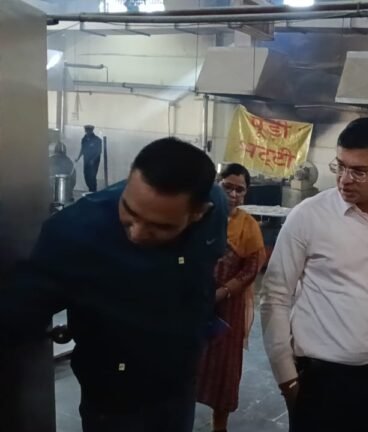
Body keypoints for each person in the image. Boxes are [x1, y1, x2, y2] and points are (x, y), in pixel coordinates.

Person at [0, 137, 228, 432]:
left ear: (198, 213)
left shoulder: (215, 208)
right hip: (114, 400)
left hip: (179, 384)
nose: (137, 233)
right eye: (129, 213)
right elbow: (20, 310)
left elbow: (204, 269)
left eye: (160, 227)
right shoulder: (77, 231)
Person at [261, 117, 368, 432]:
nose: (345, 180)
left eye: (359, 171)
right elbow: (275, 297)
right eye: (340, 166)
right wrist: (287, 380)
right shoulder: (308, 216)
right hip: (321, 383)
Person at [197, 163, 266, 432]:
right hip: (193, 303)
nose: (234, 195)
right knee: (188, 361)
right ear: (218, 184)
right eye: (228, 187)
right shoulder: (199, 216)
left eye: (240, 190)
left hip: (228, 308)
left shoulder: (248, 226)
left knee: (224, 369)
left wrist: (222, 292)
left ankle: (220, 424)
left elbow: (252, 268)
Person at [76, 125, 103, 193]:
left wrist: (93, 160)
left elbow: (99, 151)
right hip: (86, 160)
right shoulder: (84, 139)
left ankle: (93, 191)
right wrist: (78, 158)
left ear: (92, 131)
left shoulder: (97, 140)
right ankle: (90, 189)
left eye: (89, 131)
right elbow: (82, 149)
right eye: (86, 131)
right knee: (86, 175)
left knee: (92, 176)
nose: (87, 132)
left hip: (94, 162)